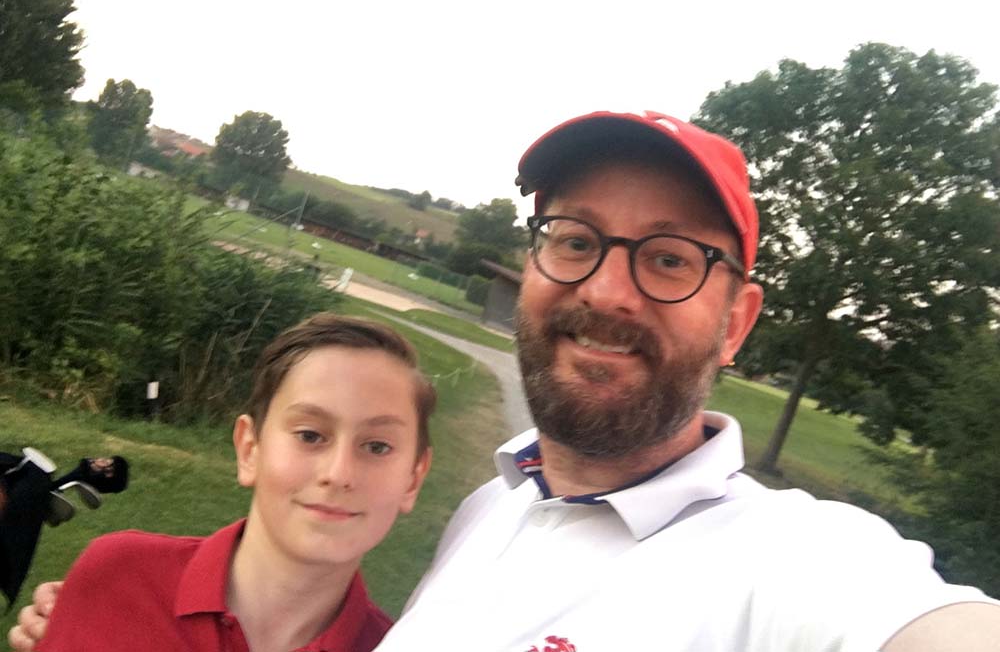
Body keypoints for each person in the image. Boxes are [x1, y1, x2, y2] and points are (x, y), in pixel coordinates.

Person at [12, 111, 1000, 651]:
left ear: (736, 320)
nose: (606, 290)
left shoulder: (790, 561)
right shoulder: (487, 508)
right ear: (532, 266)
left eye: (668, 259)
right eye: (575, 240)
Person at [10, 313, 434, 652]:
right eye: (310, 435)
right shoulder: (117, 575)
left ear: (413, 478)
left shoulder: (403, 646)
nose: (339, 473)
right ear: (250, 449)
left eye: (377, 446)